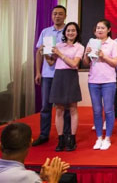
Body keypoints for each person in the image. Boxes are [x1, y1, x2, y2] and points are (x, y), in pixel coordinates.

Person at [0, 123, 69, 183]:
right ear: (30, 143)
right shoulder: (29, 178)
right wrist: (53, 180)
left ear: (0, 146)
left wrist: (41, 179)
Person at [33, 5, 71, 146]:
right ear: (51, 15)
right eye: (55, 13)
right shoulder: (45, 32)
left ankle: (67, 134)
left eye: (60, 14)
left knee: (65, 106)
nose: (57, 16)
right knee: (45, 106)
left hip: (63, 73)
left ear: (65, 16)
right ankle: (44, 135)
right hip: (47, 74)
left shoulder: (69, 31)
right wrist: (38, 72)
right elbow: (39, 52)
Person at [82, 19, 117, 150]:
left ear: (108, 30)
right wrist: (86, 54)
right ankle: (99, 138)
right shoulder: (91, 42)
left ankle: (107, 138)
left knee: (108, 110)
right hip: (93, 81)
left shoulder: (113, 44)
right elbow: (86, 63)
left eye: (102, 28)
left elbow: (115, 63)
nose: (99, 30)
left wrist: (103, 56)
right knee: (97, 110)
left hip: (108, 81)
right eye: (98, 28)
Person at [49, 22, 84, 152]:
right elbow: (51, 62)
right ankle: (61, 139)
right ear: (65, 32)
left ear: (77, 33)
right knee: (59, 109)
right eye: (68, 30)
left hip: (71, 76)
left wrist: (60, 54)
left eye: (73, 30)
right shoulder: (58, 45)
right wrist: (45, 52)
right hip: (59, 76)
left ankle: (72, 138)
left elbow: (74, 64)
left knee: (73, 108)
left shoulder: (79, 47)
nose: (70, 33)